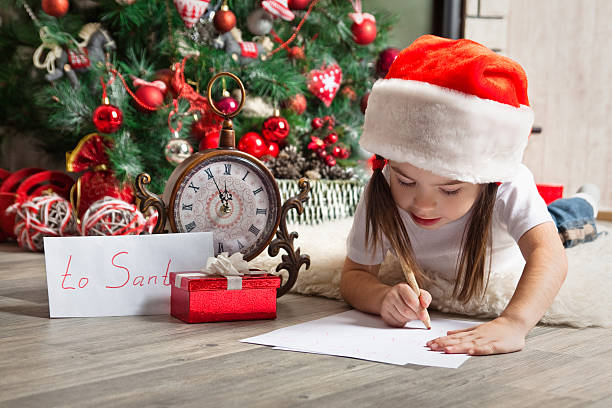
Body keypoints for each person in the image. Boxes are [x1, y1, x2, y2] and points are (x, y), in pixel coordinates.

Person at [341, 35, 602, 356]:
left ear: (485, 180)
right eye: (406, 182)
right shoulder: (382, 184)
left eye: (450, 189)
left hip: (510, 241)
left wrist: (514, 322)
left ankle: (586, 199)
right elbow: (353, 276)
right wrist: (381, 297)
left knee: (564, 222)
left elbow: (548, 257)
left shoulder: (508, 183)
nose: (423, 204)